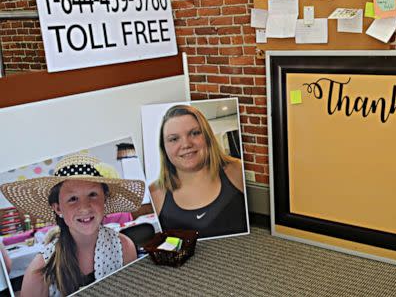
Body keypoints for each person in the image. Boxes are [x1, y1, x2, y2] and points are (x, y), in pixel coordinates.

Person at [0, 154, 145, 297]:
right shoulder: (40, 272)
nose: (84, 208)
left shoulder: (124, 248)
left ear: (104, 200)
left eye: (93, 194)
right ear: (58, 208)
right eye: (73, 198)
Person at [149, 104, 247, 239]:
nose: (186, 144)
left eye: (194, 133)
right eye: (174, 139)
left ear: (207, 137)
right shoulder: (154, 193)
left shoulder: (237, 170)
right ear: (164, 147)